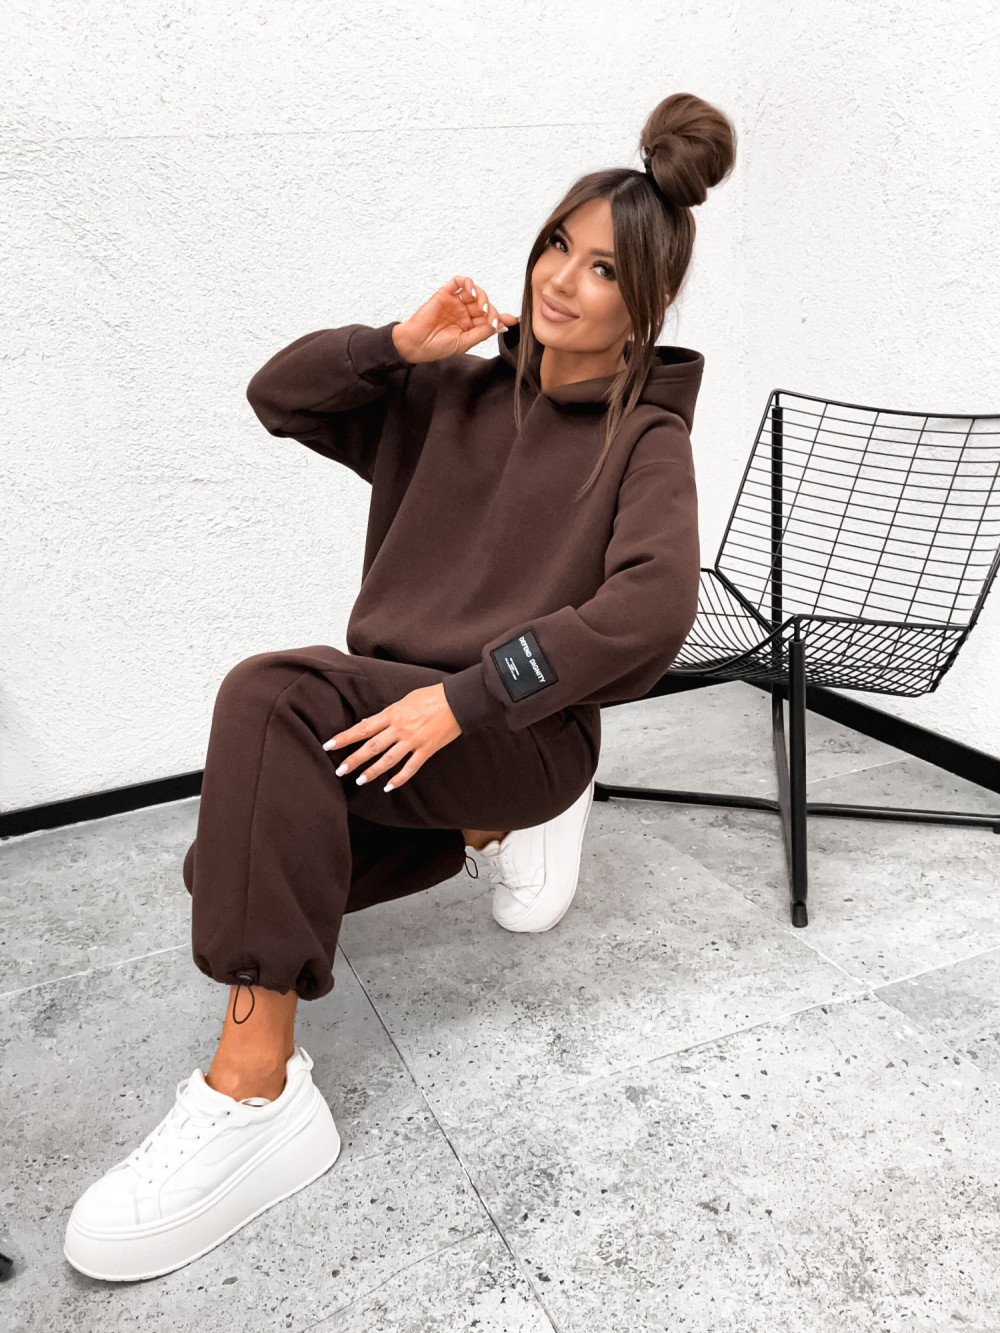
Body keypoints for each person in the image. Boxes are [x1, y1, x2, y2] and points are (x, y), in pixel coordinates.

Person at [64, 91, 737, 1282]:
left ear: (646, 304)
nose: (562, 280)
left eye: (601, 270)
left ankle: (256, 1094)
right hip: (405, 715)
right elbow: (278, 396)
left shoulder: (645, 439)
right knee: (227, 866)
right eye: (556, 245)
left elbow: (648, 608)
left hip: (517, 727)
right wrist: (395, 346)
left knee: (272, 697)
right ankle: (468, 831)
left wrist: (468, 698)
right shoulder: (446, 395)